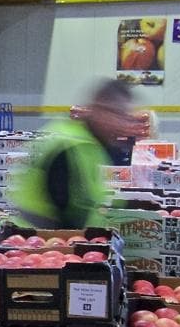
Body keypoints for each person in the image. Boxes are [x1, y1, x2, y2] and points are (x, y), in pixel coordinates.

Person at [9, 79, 138, 228]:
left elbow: (98, 195)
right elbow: (74, 213)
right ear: (99, 109)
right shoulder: (70, 145)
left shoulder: (89, 142)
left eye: (125, 117)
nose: (122, 123)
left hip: (52, 241)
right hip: (40, 241)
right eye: (118, 115)